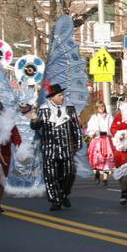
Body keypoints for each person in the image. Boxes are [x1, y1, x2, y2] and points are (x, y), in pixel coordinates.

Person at [30, 83, 83, 211]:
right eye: (60, 95)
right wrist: (34, 119)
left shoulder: (69, 108)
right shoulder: (43, 109)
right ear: (52, 97)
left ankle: (63, 194)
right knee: (51, 175)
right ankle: (55, 200)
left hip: (66, 148)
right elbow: (35, 127)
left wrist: (78, 143)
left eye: (62, 95)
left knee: (69, 173)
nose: (62, 97)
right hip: (49, 148)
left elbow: (75, 126)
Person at [85, 101, 114, 185]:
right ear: (97, 108)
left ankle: (105, 179)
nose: (102, 109)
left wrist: (111, 133)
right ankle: (97, 173)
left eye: (103, 107)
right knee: (97, 157)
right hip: (97, 140)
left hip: (107, 140)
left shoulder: (109, 117)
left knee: (107, 158)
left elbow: (113, 127)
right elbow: (90, 128)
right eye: (100, 107)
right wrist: (93, 132)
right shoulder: (94, 117)